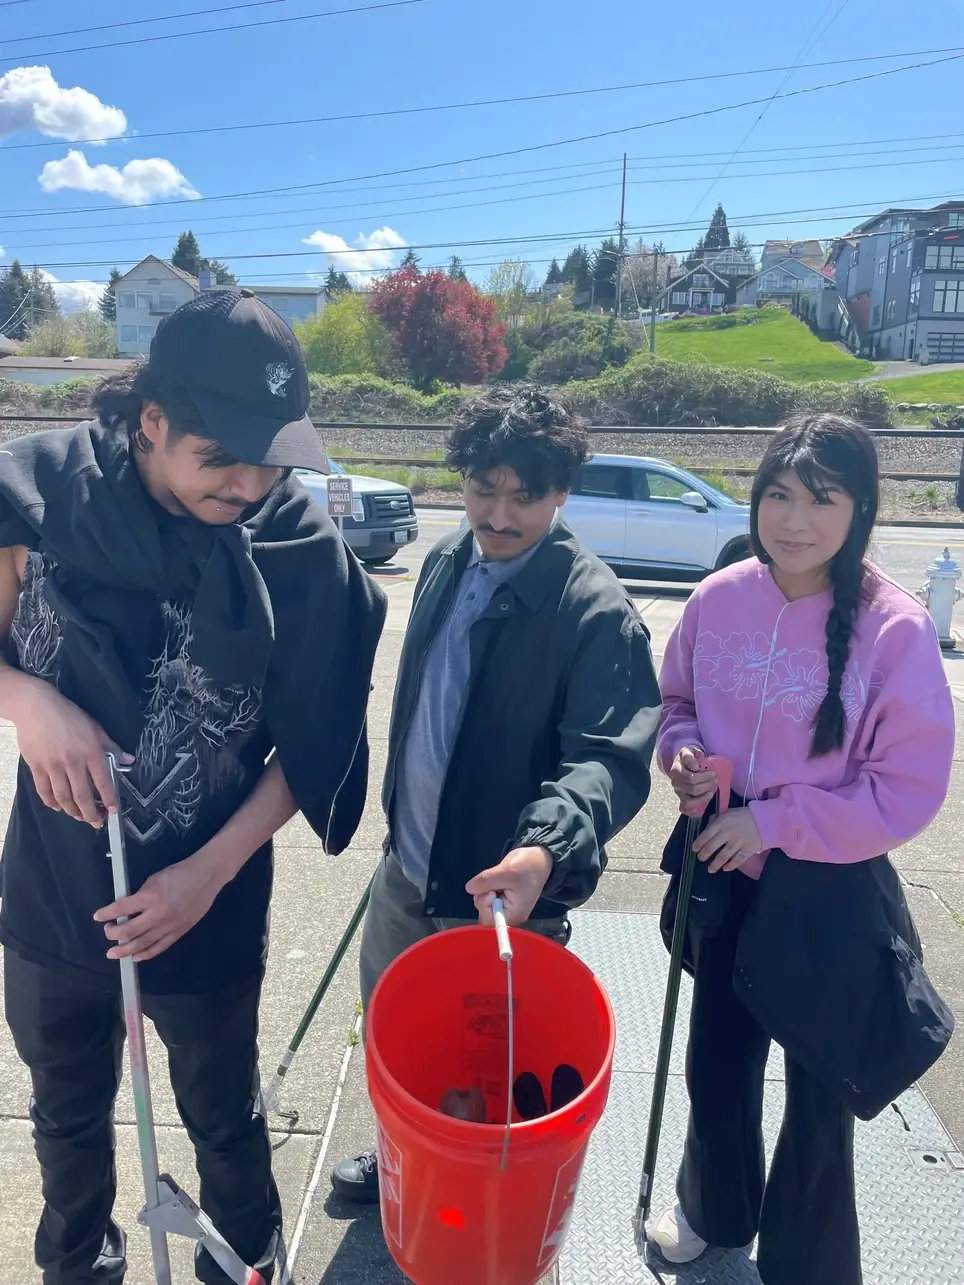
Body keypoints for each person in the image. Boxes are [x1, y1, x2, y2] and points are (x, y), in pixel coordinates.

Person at [0, 289, 386, 1284]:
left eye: (273, 456)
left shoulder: (297, 548)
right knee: (67, 1112)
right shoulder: (33, 500)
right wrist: (25, 699)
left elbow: (315, 747)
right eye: (223, 456)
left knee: (223, 1115)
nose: (252, 483)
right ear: (153, 423)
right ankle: (78, 1259)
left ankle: (245, 1261)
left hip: (205, 902)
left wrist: (206, 876)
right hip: (52, 892)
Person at [331, 384, 662, 1203]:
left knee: (490, 1064)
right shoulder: (447, 559)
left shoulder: (594, 610)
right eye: (485, 486)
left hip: (505, 899)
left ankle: (475, 1207)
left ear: (561, 492)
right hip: (409, 869)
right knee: (398, 1037)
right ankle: (404, 1158)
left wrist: (543, 846)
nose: (501, 512)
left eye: (526, 493)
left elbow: (608, 760)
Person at [649, 414, 955, 1284]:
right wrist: (683, 758)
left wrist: (775, 821)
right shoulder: (718, 597)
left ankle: (807, 1264)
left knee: (821, 1095)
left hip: (829, 890)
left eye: (821, 498)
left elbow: (906, 791)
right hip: (722, 869)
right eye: (777, 494)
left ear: (859, 507)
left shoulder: (894, 628)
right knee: (717, 1059)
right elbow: (677, 703)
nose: (792, 519)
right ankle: (714, 1209)